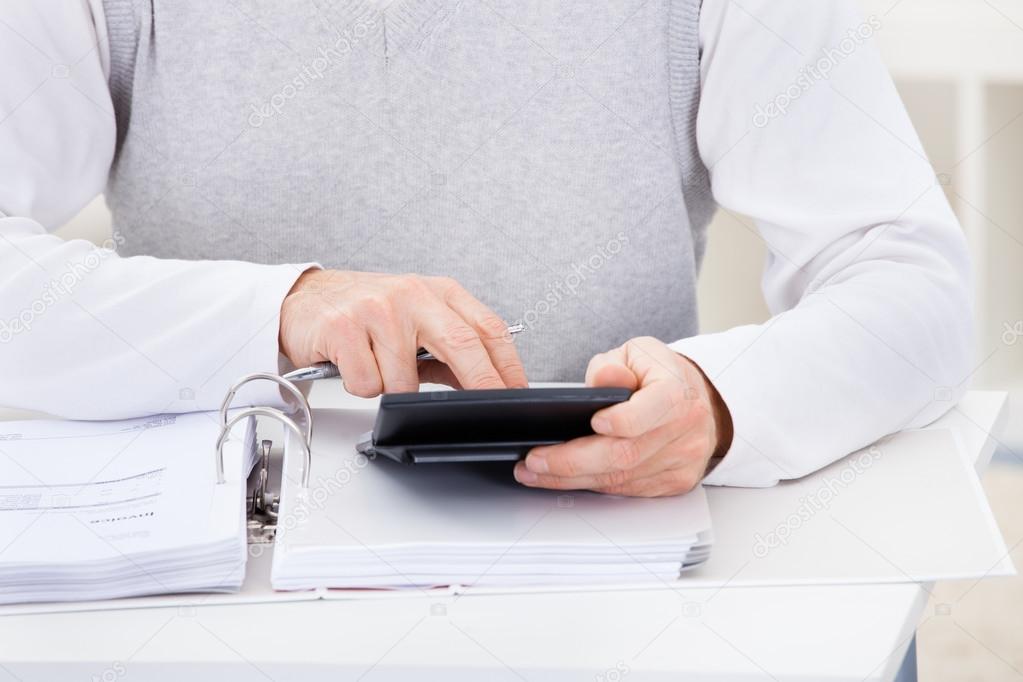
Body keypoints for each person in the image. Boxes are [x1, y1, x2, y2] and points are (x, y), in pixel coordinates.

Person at [0, 0, 971, 496]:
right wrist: (280, 309)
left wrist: (723, 404)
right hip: (218, 562)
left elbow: (909, 280)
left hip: (600, 560)